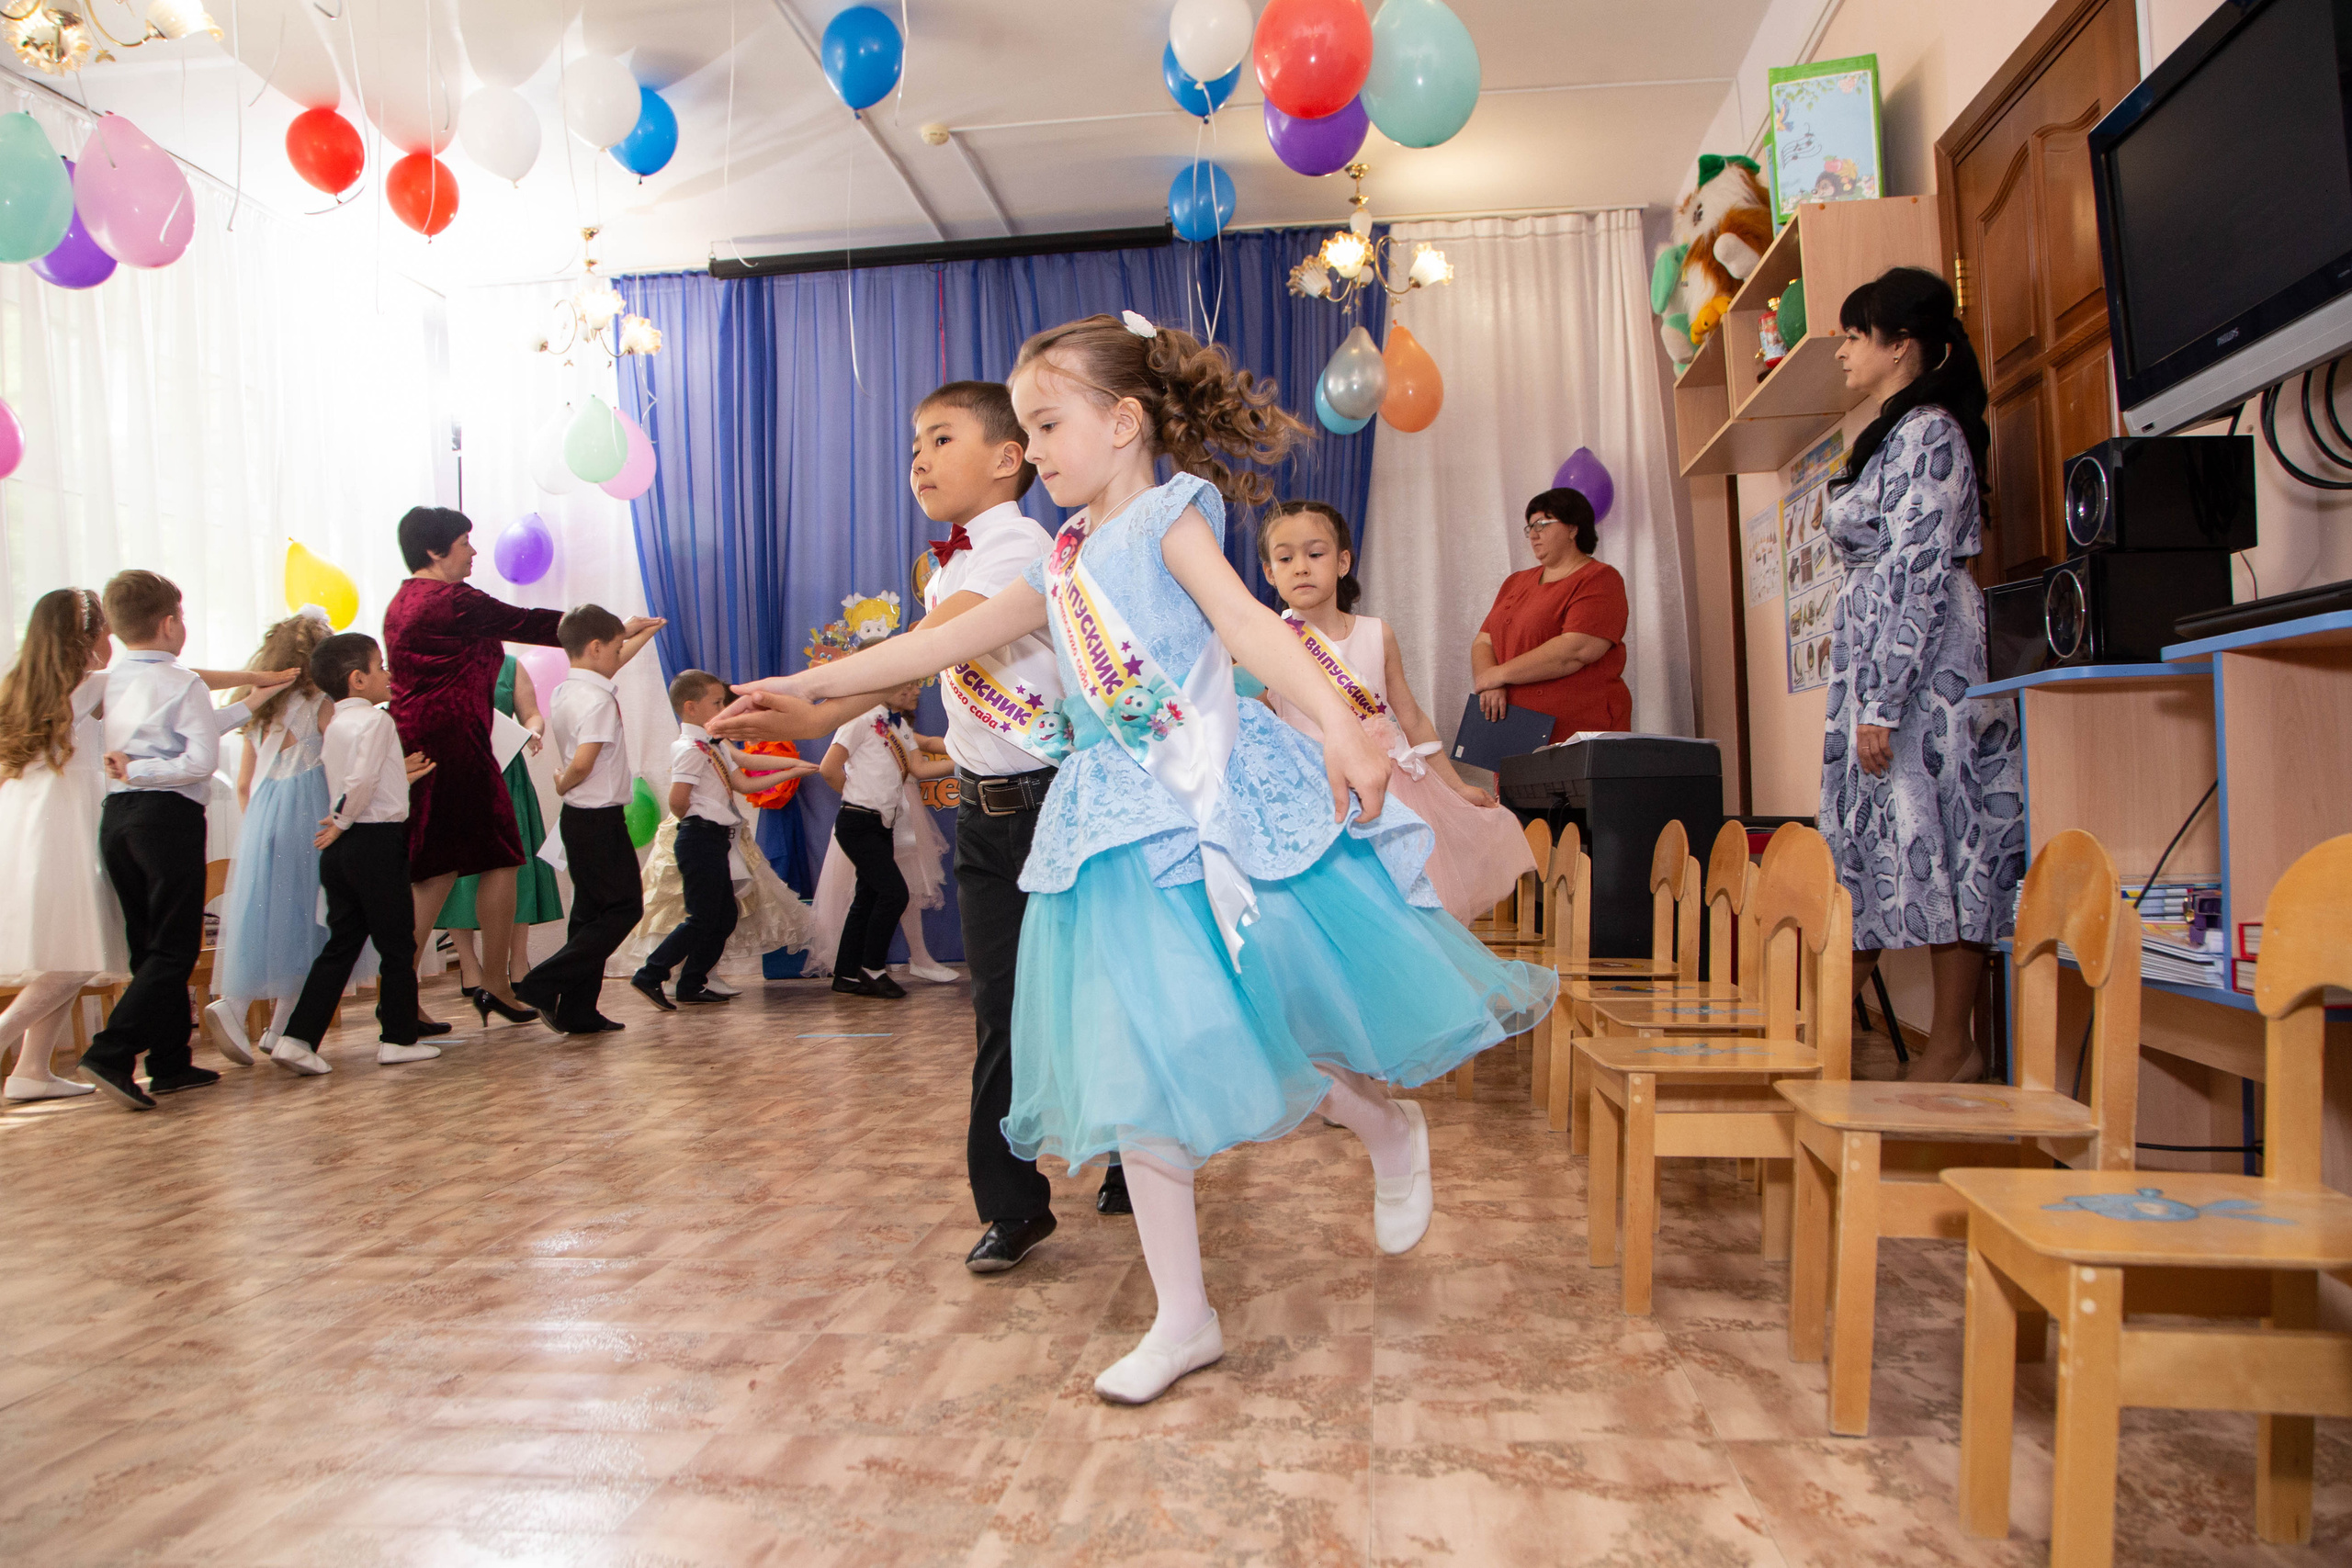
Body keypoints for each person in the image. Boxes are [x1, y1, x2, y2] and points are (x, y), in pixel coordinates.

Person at [733, 312, 1554, 1404]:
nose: (1033, 449)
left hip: (1200, 799)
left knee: (1250, 1027)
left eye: (1047, 424)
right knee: (1142, 1064)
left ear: (1123, 423)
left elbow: (1250, 628)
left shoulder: (1171, 515)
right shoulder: (1062, 558)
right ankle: (1184, 1318)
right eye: (1023, 428)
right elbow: (938, 644)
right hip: (1108, 825)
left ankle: (1381, 1123)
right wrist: (803, 688)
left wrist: (1342, 724)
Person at [714, 378, 1127, 1264]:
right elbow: (907, 674)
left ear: (1009, 457)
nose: (919, 461)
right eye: (913, 447)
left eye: (941, 440)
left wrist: (808, 696)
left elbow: (933, 645)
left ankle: (1130, 1151)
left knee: (1095, 993)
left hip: (1054, 807)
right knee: (1002, 1011)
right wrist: (809, 714)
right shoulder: (948, 566)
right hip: (984, 816)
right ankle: (1014, 1203)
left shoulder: (1020, 543)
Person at [1821, 265, 2024, 1083]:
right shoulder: (1893, 432)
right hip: (1878, 668)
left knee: (1943, 834)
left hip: (1922, 671)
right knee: (1871, 842)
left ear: (1902, 345)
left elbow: (1917, 571)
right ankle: (1814, 1028)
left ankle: (1952, 1044)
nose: (1843, 350)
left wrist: (1883, 699)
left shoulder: (1932, 432)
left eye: (1854, 335)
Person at [1256, 502, 1535, 924]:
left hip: (1388, 789)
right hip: (1307, 790)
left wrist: (1455, 787)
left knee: (1394, 908)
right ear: (1269, 572)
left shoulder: (1377, 633)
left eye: (1315, 553)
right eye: (1285, 558)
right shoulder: (1266, 638)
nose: (1301, 568)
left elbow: (1412, 719)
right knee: (1328, 909)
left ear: (1343, 562)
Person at [77, 571, 280, 1110]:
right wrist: (142, 770)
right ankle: (110, 1053)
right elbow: (199, 760)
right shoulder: (184, 681)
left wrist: (251, 702)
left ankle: (170, 1062)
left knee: (148, 945)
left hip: (118, 819)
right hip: (165, 819)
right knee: (175, 947)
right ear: (169, 624)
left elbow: (188, 730)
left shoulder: (113, 679)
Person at [382, 506, 567, 1030]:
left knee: (438, 869)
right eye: (465, 542)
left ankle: (406, 996)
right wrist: (603, 628)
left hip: (434, 744)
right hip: (455, 748)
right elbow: (530, 622)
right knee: (501, 858)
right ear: (434, 550)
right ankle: (493, 984)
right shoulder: (450, 601)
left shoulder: (403, 602)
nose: (474, 551)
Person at [269, 633, 441, 1075]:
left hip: (344, 851)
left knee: (342, 944)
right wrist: (342, 820)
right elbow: (361, 782)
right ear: (358, 679)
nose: (388, 674)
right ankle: (398, 1039)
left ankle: (297, 1038)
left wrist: (347, 820)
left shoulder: (336, 725)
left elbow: (365, 779)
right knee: (398, 944)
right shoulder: (376, 721)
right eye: (380, 667)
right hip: (374, 842)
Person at [207, 607, 364, 1066]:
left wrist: (258, 829)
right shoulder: (322, 705)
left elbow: (243, 785)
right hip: (310, 814)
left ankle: (275, 1027)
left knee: (277, 920)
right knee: (312, 920)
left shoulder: (262, 709)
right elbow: (343, 762)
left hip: (264, 815)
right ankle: (249, 1014)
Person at [513, 604, 665, 1035]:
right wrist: (562, 783)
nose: (620, 655)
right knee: (624, 909)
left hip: (580, 820)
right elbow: (582, 763)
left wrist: (639, 632)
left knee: (589, 915)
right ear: (596, 648)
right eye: (616, 648)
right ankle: (542, 983)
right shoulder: (597, 699)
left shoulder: (568, 689)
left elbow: (609, 660)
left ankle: (578, 1010)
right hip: (599, 820)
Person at [0, 590, 128, 1101]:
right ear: (88, 638)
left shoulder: (18, 690)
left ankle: (31, 1070)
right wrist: (253, 680)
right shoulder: (94, 685)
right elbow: (176, 679)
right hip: (64, 830)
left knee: (68, 949)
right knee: (78, 955)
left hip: (25, 828)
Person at [628, 670, 815, 1010]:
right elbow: (678, 800)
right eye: (716, 703)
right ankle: (651, 973)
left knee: (724, 915)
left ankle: (692, 982)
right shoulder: (689, 749)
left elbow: (742, 782)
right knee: (702, 916)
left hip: (714, 839)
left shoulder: (711, 745)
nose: (723, 709)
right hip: (700, 838)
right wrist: (698, 825)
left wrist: (790, 769)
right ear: (691, 707)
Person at [436, 653, 561, 1016]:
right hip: (456, 773)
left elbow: (531, 713)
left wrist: (533, 731)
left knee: (516, 865)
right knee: (459, 872)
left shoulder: (508, 664)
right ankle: (468, 964)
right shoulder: (438, 662)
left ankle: (518, 961)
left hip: (506, 772)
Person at [816, 682, 956, 998]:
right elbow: (828, 768)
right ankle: (872, 967)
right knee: (894, 893)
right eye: (907, 685)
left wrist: (965, 763)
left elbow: (919, 769)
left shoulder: (899, 726)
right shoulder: (858, 719)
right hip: (858, 821)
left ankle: (845, 974)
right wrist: (857, 797)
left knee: (867, 897)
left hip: (882, 823)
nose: (915, 691)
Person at [1470, 487, 1632, 741]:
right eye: (1530, 527)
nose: (1534, 534)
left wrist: (1498, 675)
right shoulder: (1515, 582)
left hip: (1576, 729)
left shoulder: (1600, 579)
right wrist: (1490, 683)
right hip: (1512, 726)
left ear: (1573, 528)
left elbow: (1576, 650)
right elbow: (1483, 641)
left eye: (1542, 524)